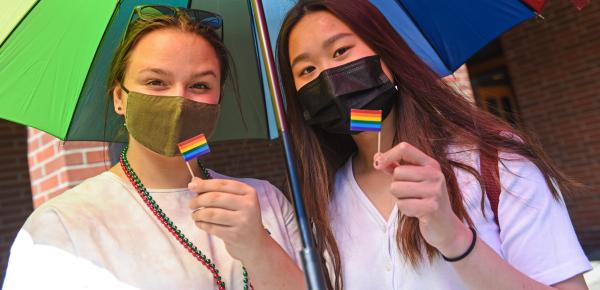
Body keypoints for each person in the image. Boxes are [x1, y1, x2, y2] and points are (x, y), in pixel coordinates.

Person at [275, 0, 591, 289]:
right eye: (307, 70)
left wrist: (454, 237)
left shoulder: (495, 160)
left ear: (386, 52)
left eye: (341, 51)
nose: (329, 75)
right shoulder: (319, 202)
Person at [3, 6, 305, 290]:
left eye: (200, 85)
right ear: (120, 98)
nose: (178, 100)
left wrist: (258, 246)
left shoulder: (267, 201)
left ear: (218, 101)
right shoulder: (58, 227)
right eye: (156, 82)